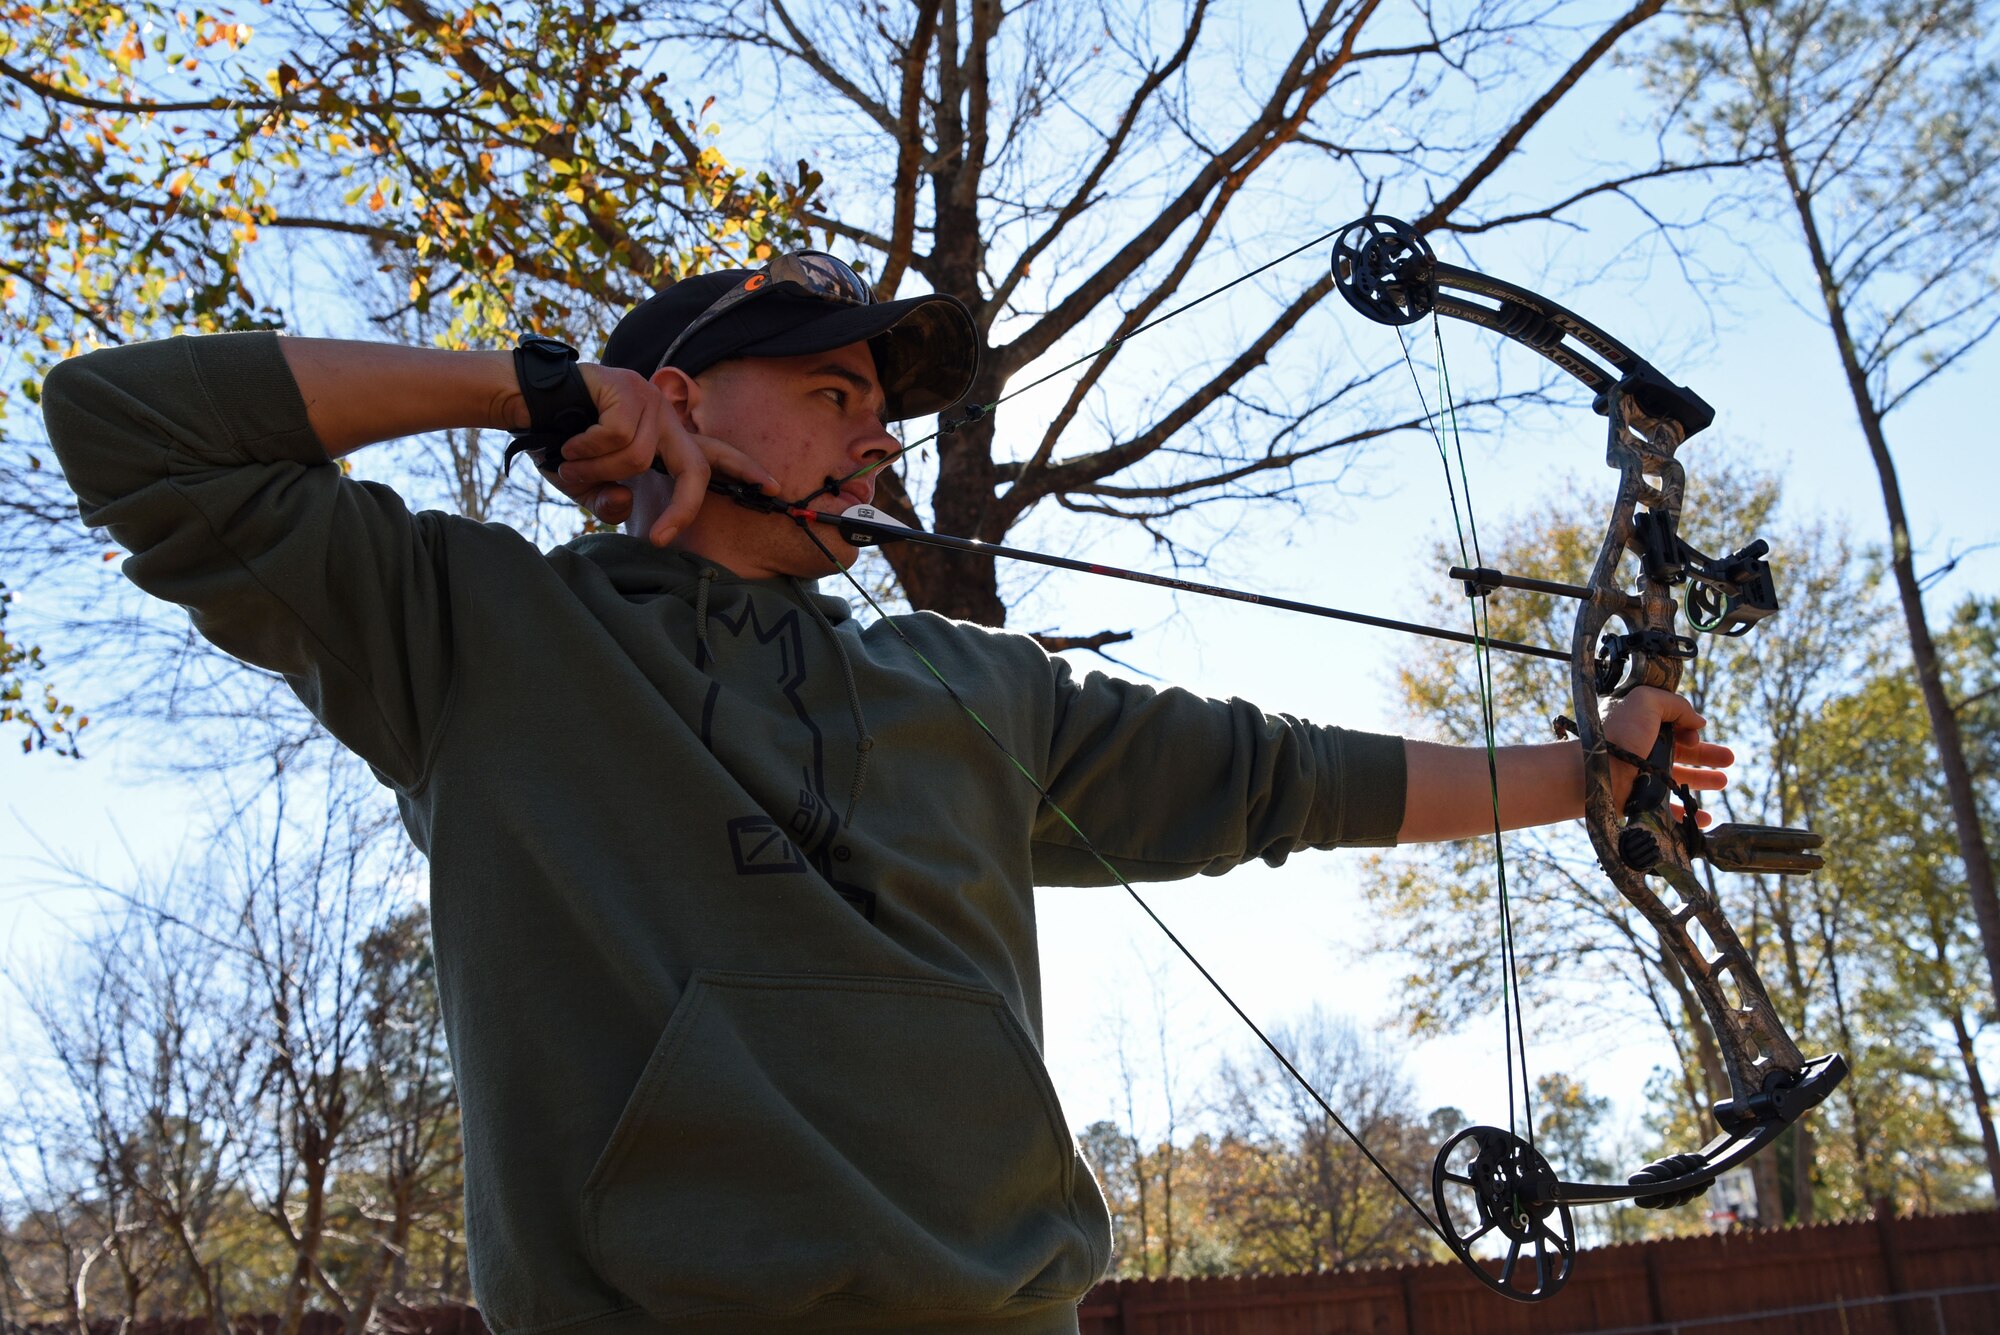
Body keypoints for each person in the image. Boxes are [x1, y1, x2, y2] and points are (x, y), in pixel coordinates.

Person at [40, 252, 1728, 1335]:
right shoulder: (481, 635)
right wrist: (531, 387)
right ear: (681, 400)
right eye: (837, 394)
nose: (879, 445)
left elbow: (1272, 776)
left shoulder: (962, 685)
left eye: (889, 416)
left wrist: (1586, 778)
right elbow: (124, 425)